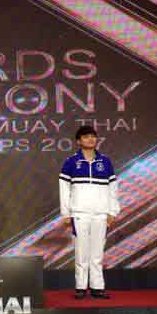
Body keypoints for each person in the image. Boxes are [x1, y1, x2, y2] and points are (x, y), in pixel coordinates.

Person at [59, 125, 120, 299]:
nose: (90, 139)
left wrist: (112, 211)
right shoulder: (71, 162)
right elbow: (64, 189)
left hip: (101, 213)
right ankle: (80, 287)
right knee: (81, 252)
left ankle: (97, 287)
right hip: (80, 213)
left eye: (93, 136)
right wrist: (66, 213)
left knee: (97, 253)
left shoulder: (105, 161)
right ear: (79, 141)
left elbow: (113, 188)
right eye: (86, 137)